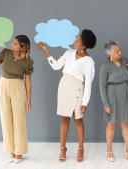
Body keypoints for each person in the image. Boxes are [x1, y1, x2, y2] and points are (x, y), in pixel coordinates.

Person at [35, 29, 96, 163]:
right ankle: (63, 148)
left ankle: (81, 149)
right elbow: (56, 66)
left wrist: (85, 102)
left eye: (77, 40)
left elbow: (89, 84)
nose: (74, 41)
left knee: (78, 120)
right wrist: (46, 50)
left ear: (83, 46)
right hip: (64, 87)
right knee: (64, 119)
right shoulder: (69, 53)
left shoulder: (89, 62)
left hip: (78, 90)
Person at [0, 35, 34, 164]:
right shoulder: (5, 53)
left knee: (19, 120)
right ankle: (12, 152)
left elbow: (28, 81)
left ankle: (19, 152)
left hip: (18, 87)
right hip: (3, 86)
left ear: (22, 47)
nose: (12, 45)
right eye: (13, 43)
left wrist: (29, 99)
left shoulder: (28, 61)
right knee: (6, 119)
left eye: (15, 44)